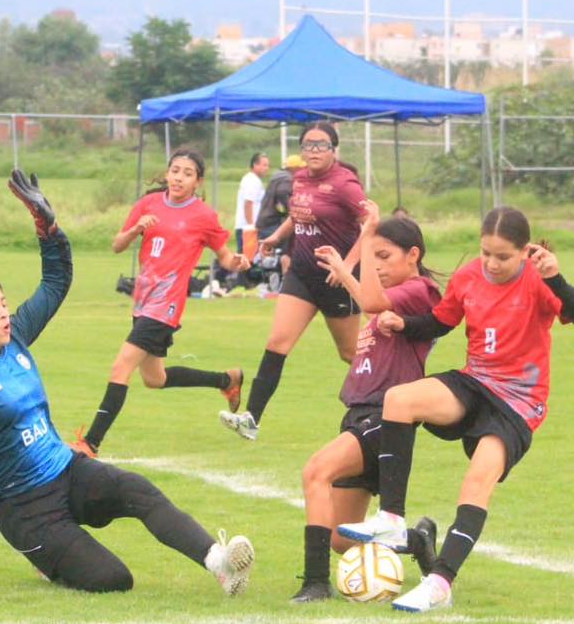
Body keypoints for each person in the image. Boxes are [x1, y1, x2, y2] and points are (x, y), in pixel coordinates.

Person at [0, 169, 255, 596]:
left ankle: (219, 563)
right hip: (23, 507)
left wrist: (49, 229)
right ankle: (48, 554)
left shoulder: (15, 334)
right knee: (114, 580)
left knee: (137, 489)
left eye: (4, 304)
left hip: (66, 471)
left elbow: (56, 280)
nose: (4, 314)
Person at [338, 206, 574, 613]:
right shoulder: (469, 277)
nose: (491, 263)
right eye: (485, 253)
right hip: (475, 383)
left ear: (524, 252)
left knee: (477, 482)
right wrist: (405, 325)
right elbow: (440, 322)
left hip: (517, 403)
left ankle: (440, 583)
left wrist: (556, 279)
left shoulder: (539, 279)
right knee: (399, 399)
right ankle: (391, 518)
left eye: (502, 257)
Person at [289, 208, 444, 603]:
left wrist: (365, 241)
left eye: (384, 257)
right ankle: (418, 540)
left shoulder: (420, 290)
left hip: (385, 417)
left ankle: (315, 583)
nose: (377, 266)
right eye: (373, 258)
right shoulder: (390, 299)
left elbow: (373, 301)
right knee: (342, 538)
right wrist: (346, 271)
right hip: (357, 414)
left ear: (413, 255)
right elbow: (372, 301)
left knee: (316, 471)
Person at [74, 149, 250, 456]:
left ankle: (90, 443)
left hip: (165, 306)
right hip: (143, 301)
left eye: (187, 173)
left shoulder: (203, 215)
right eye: (175, 170)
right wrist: (135, 229)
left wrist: (237, 261)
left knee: (121, 367)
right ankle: (226, 380)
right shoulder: (148, 204)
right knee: (155, 379)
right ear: (167, 173)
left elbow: (224, 257)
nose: (179, 178)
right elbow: (117, 245)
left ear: (197, 182)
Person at [219, 121, 370, 441]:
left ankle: (393, 393)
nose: (314, 150)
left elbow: (372, 222)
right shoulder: (298, 178)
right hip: (301, 274)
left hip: (335, 280)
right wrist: (275, 237)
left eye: (322, 145)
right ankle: (251, 420)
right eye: (308, 145)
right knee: (277, 343)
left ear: (334, 150)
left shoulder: (345, 183)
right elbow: (297, 214)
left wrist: (347, 266)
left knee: (350, 353)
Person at [235, 151, 269, 257]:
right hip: (247, 229)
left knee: (249, 259)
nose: (266, 168)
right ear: (255, 165)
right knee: (247, 260)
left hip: (248, 228)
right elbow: (248, 204)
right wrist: (251, 226)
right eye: (264, 165)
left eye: (267, 165)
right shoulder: (252, 181)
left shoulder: (254, 180)